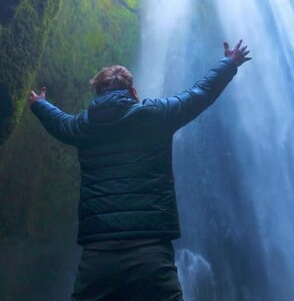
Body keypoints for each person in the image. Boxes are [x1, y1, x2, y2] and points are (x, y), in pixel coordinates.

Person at [28, 40, 251, 300]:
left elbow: (59, 123)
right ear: (133, 93)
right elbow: (199, 94)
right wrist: (229, 63)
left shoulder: (83, 127)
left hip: (98, 254)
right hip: (150, 251)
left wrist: (40, 104)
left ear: (97, 95)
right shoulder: (155, 115)